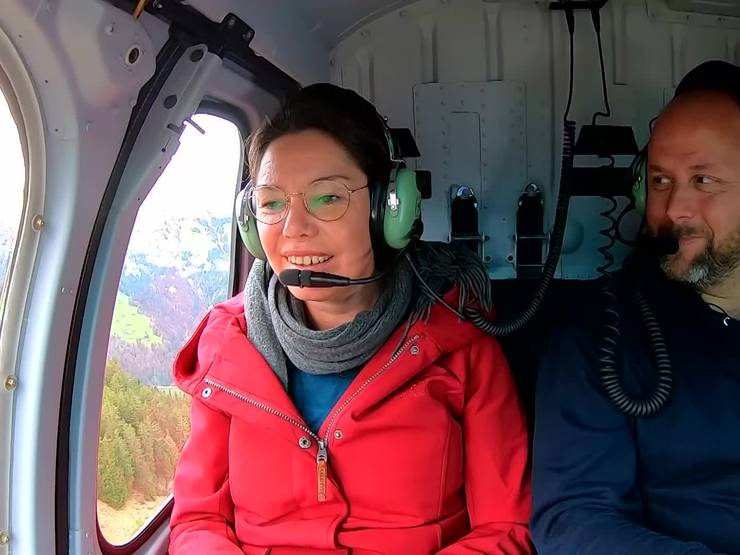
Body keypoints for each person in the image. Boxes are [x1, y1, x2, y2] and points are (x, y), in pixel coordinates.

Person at [168, 83, 534, 554]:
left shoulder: (460, 341)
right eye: (272, 203)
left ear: (389, 210)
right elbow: (197, 522)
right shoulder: (226, 344)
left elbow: (506, 529)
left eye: (327, 198)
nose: (294, 228)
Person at [531, 60, 740, 554]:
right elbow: (573, 518)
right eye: (662, 181)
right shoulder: (600, 332)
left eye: (703, 180)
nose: (673, 210)